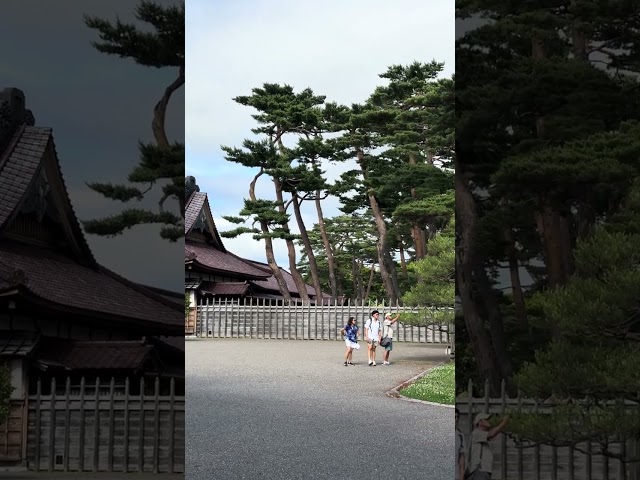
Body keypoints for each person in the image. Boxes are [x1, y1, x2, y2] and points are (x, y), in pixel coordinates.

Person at [467, 412, 509, 479]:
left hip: (485, 470)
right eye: (486, 419)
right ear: (480, 422)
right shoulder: (476, 433)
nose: (488, 421)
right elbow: (492, 433)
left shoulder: (483, 434)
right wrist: (504, 423)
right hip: (479, 469)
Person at [455, 408, 466, 480]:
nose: (456, 419)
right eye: (454, 417)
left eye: (457, 417)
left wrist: (461, 476)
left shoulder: (460, 435)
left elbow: (461, 457)